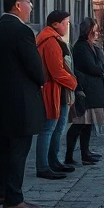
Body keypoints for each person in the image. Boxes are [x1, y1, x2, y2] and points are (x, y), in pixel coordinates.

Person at [0, 0, 45, 208]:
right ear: (18, 5)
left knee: (3, 147)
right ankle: (13, 199)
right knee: (19, 148)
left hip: (0, 99)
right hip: (21, 102)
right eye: (29, 3)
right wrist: (41, 80)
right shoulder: (22, 31)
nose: (31, 7)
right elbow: (35, 66)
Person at [35, 10, 78, 179]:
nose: (67, 26)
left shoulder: (52, 38)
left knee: (58, 128)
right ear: (55, 24)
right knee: (48, 128)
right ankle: (44, 166)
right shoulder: (50, 40)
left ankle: (54, 161)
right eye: (65, 23)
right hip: (52, 90)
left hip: (58, 89)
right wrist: (73, 83)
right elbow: (56, 71)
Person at [67, 18, 104, 166]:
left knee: (88, 123)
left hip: (92, 89)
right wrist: (99, 54)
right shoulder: (81, 47)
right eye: (95, 30)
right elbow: (96, 68)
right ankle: (69, 156)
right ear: (88, 31)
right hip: (85, 89)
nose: (97, 33)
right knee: (79, 124)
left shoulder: (90, 46)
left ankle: (86, 152)